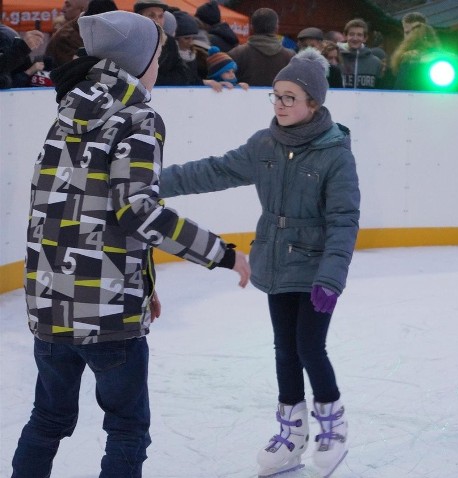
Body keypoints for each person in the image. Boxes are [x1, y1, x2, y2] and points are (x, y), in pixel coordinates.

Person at [11, 11, 250, 477]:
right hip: (107, 314)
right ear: (138, 62)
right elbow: (139, 211)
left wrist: (142, 280)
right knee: (127, 428)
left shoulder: (65, 113)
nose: (160, 65)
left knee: (49, 417)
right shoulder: (138, 117)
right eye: (159, 56)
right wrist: (223, 253)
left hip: (50, 304)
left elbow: (67, 213)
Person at [157, 48, 359, 478]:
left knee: (309, 346)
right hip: (275, 260)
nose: (281, 105)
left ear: (314, 104)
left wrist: (331, 277)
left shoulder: (335, 154)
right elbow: (211, 171)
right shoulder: (264, 145)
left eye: (291, 98)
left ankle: (332, 422)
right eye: (277, 96)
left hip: (316, 266)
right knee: (285, 350)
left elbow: (344, 220)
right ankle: (292, 433)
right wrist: (154, 180)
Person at [229, 8, 295, 87]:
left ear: (251, 27)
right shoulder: (291, 57)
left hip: (243, 99)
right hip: (278, 98)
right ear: (276, 28)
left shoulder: (236, 53)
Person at [338, 18, 383, 89]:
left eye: (359, 35)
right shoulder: (336, 58)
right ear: (345, 36)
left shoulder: (376, 63)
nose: (355, 38)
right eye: (351, 34)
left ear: (365, 38)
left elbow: (380, 90)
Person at [44, 0, 90, 68]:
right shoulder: (65, 36)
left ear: (82, 10)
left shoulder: (69, 35)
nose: (62, 9)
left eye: (68, 6)